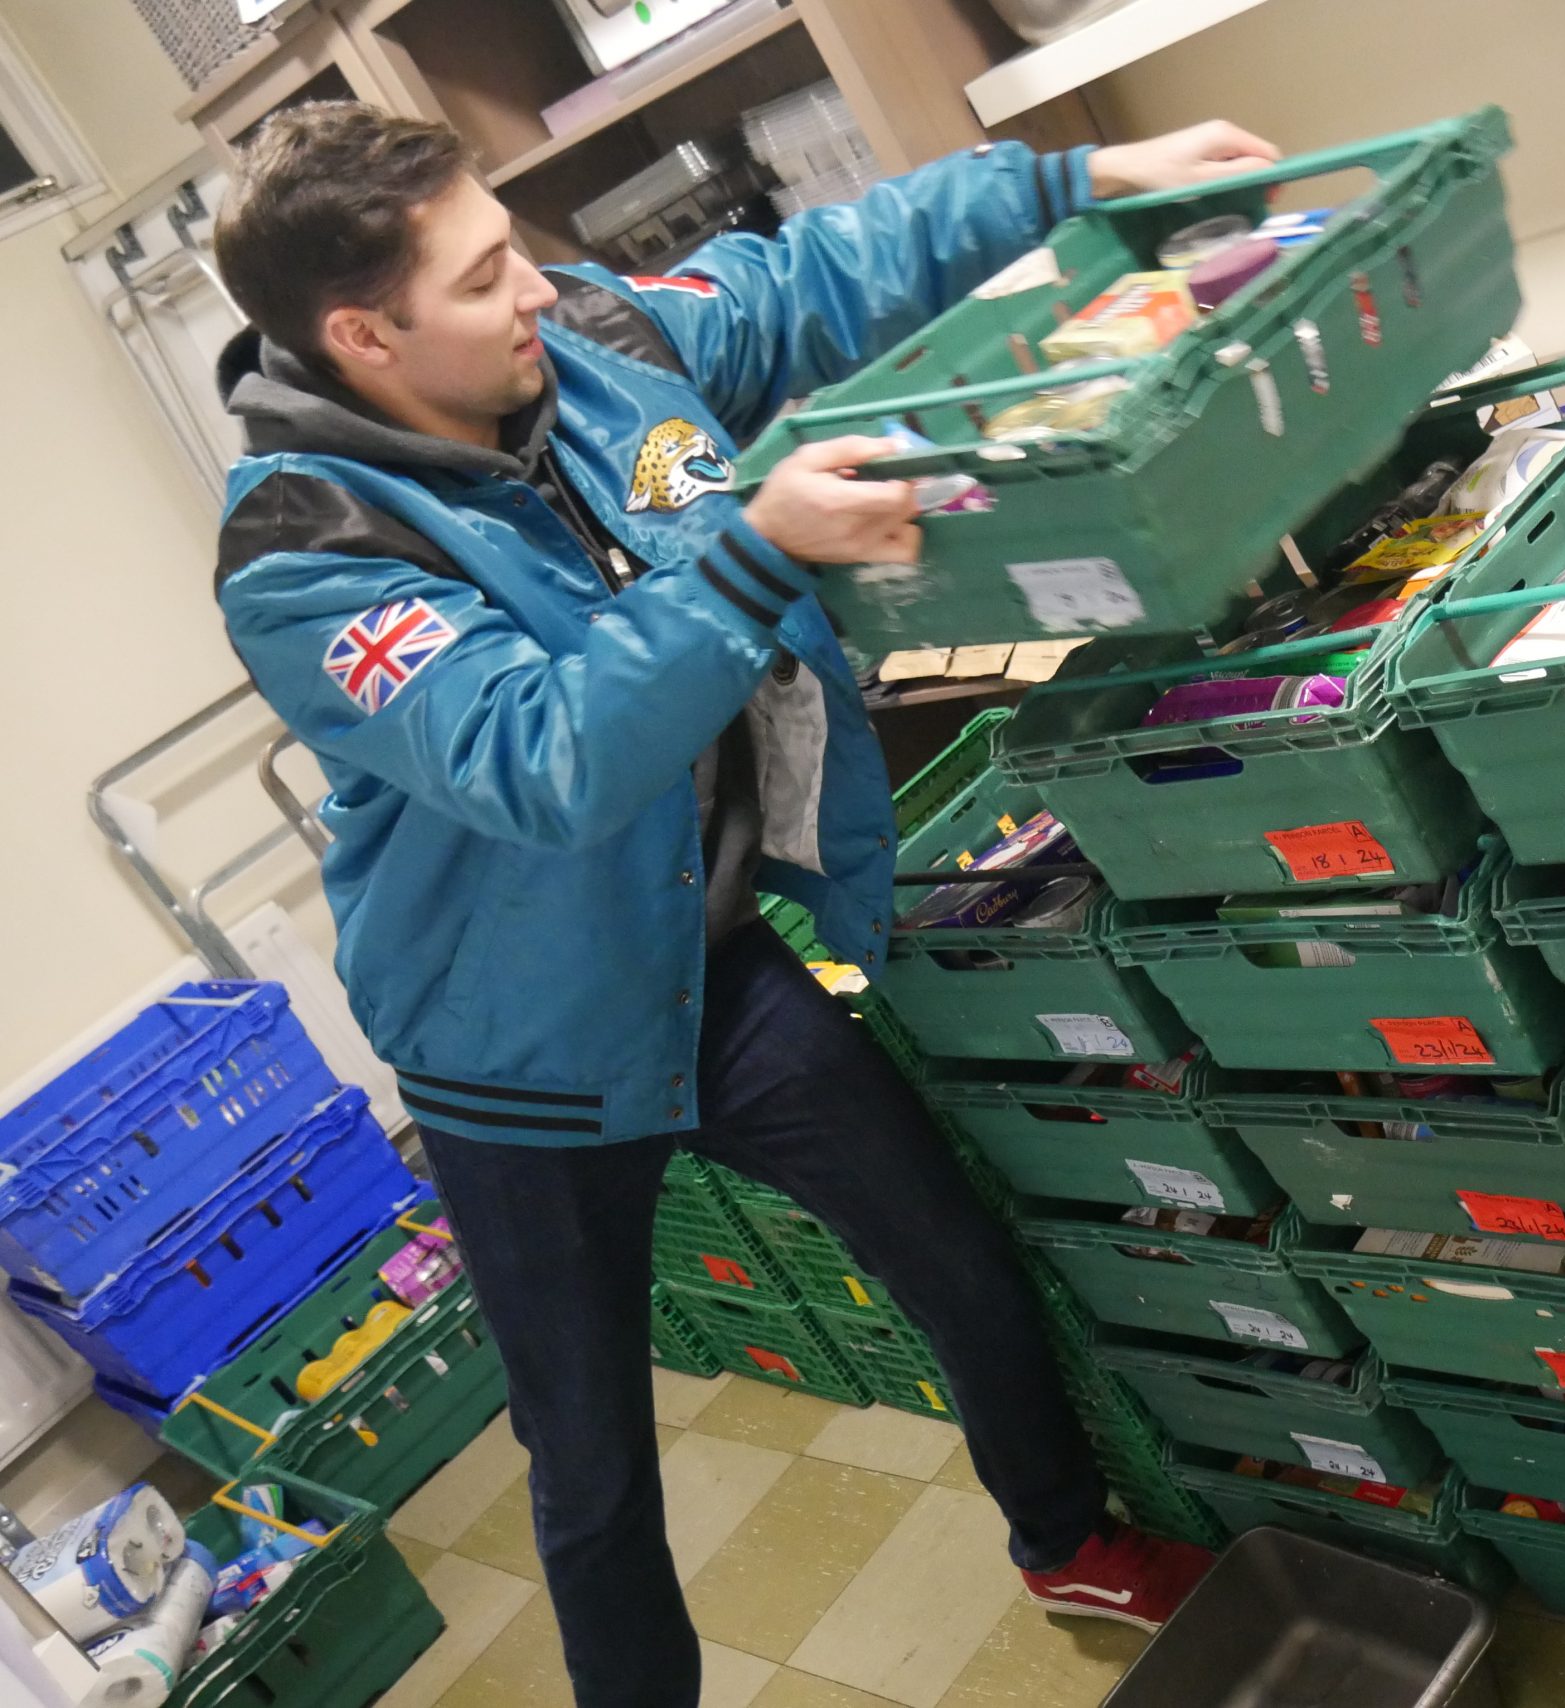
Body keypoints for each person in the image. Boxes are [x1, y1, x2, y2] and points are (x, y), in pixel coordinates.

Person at [209, 100, 1280, 1708]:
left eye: (516, 247)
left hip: (709, 966)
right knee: (590, 1462)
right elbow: (544, 756)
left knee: (955, 1262)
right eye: (484, 275)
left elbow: (814, 273)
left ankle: (1064, 1537)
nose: (535, 292)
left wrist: (1079, 179)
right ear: (364, 335)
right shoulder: (306, 553)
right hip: (522, 1062)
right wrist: (751, 562)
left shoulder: (589, 345)